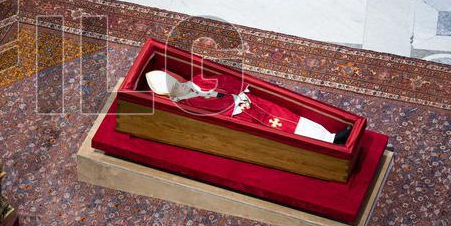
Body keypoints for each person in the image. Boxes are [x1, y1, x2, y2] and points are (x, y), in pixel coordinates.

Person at [145, 70, 352, 144]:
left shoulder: (198, 79)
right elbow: (212, 112)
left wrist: (240, 91)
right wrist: (232, 103)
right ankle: (326, 145)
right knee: (282, 132)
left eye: (176, 81)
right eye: (174, 88)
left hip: (249, 102)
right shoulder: (187, 105)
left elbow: (224, 81)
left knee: (290, 117)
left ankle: (330, 137)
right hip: (240, 117)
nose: (180, 86)